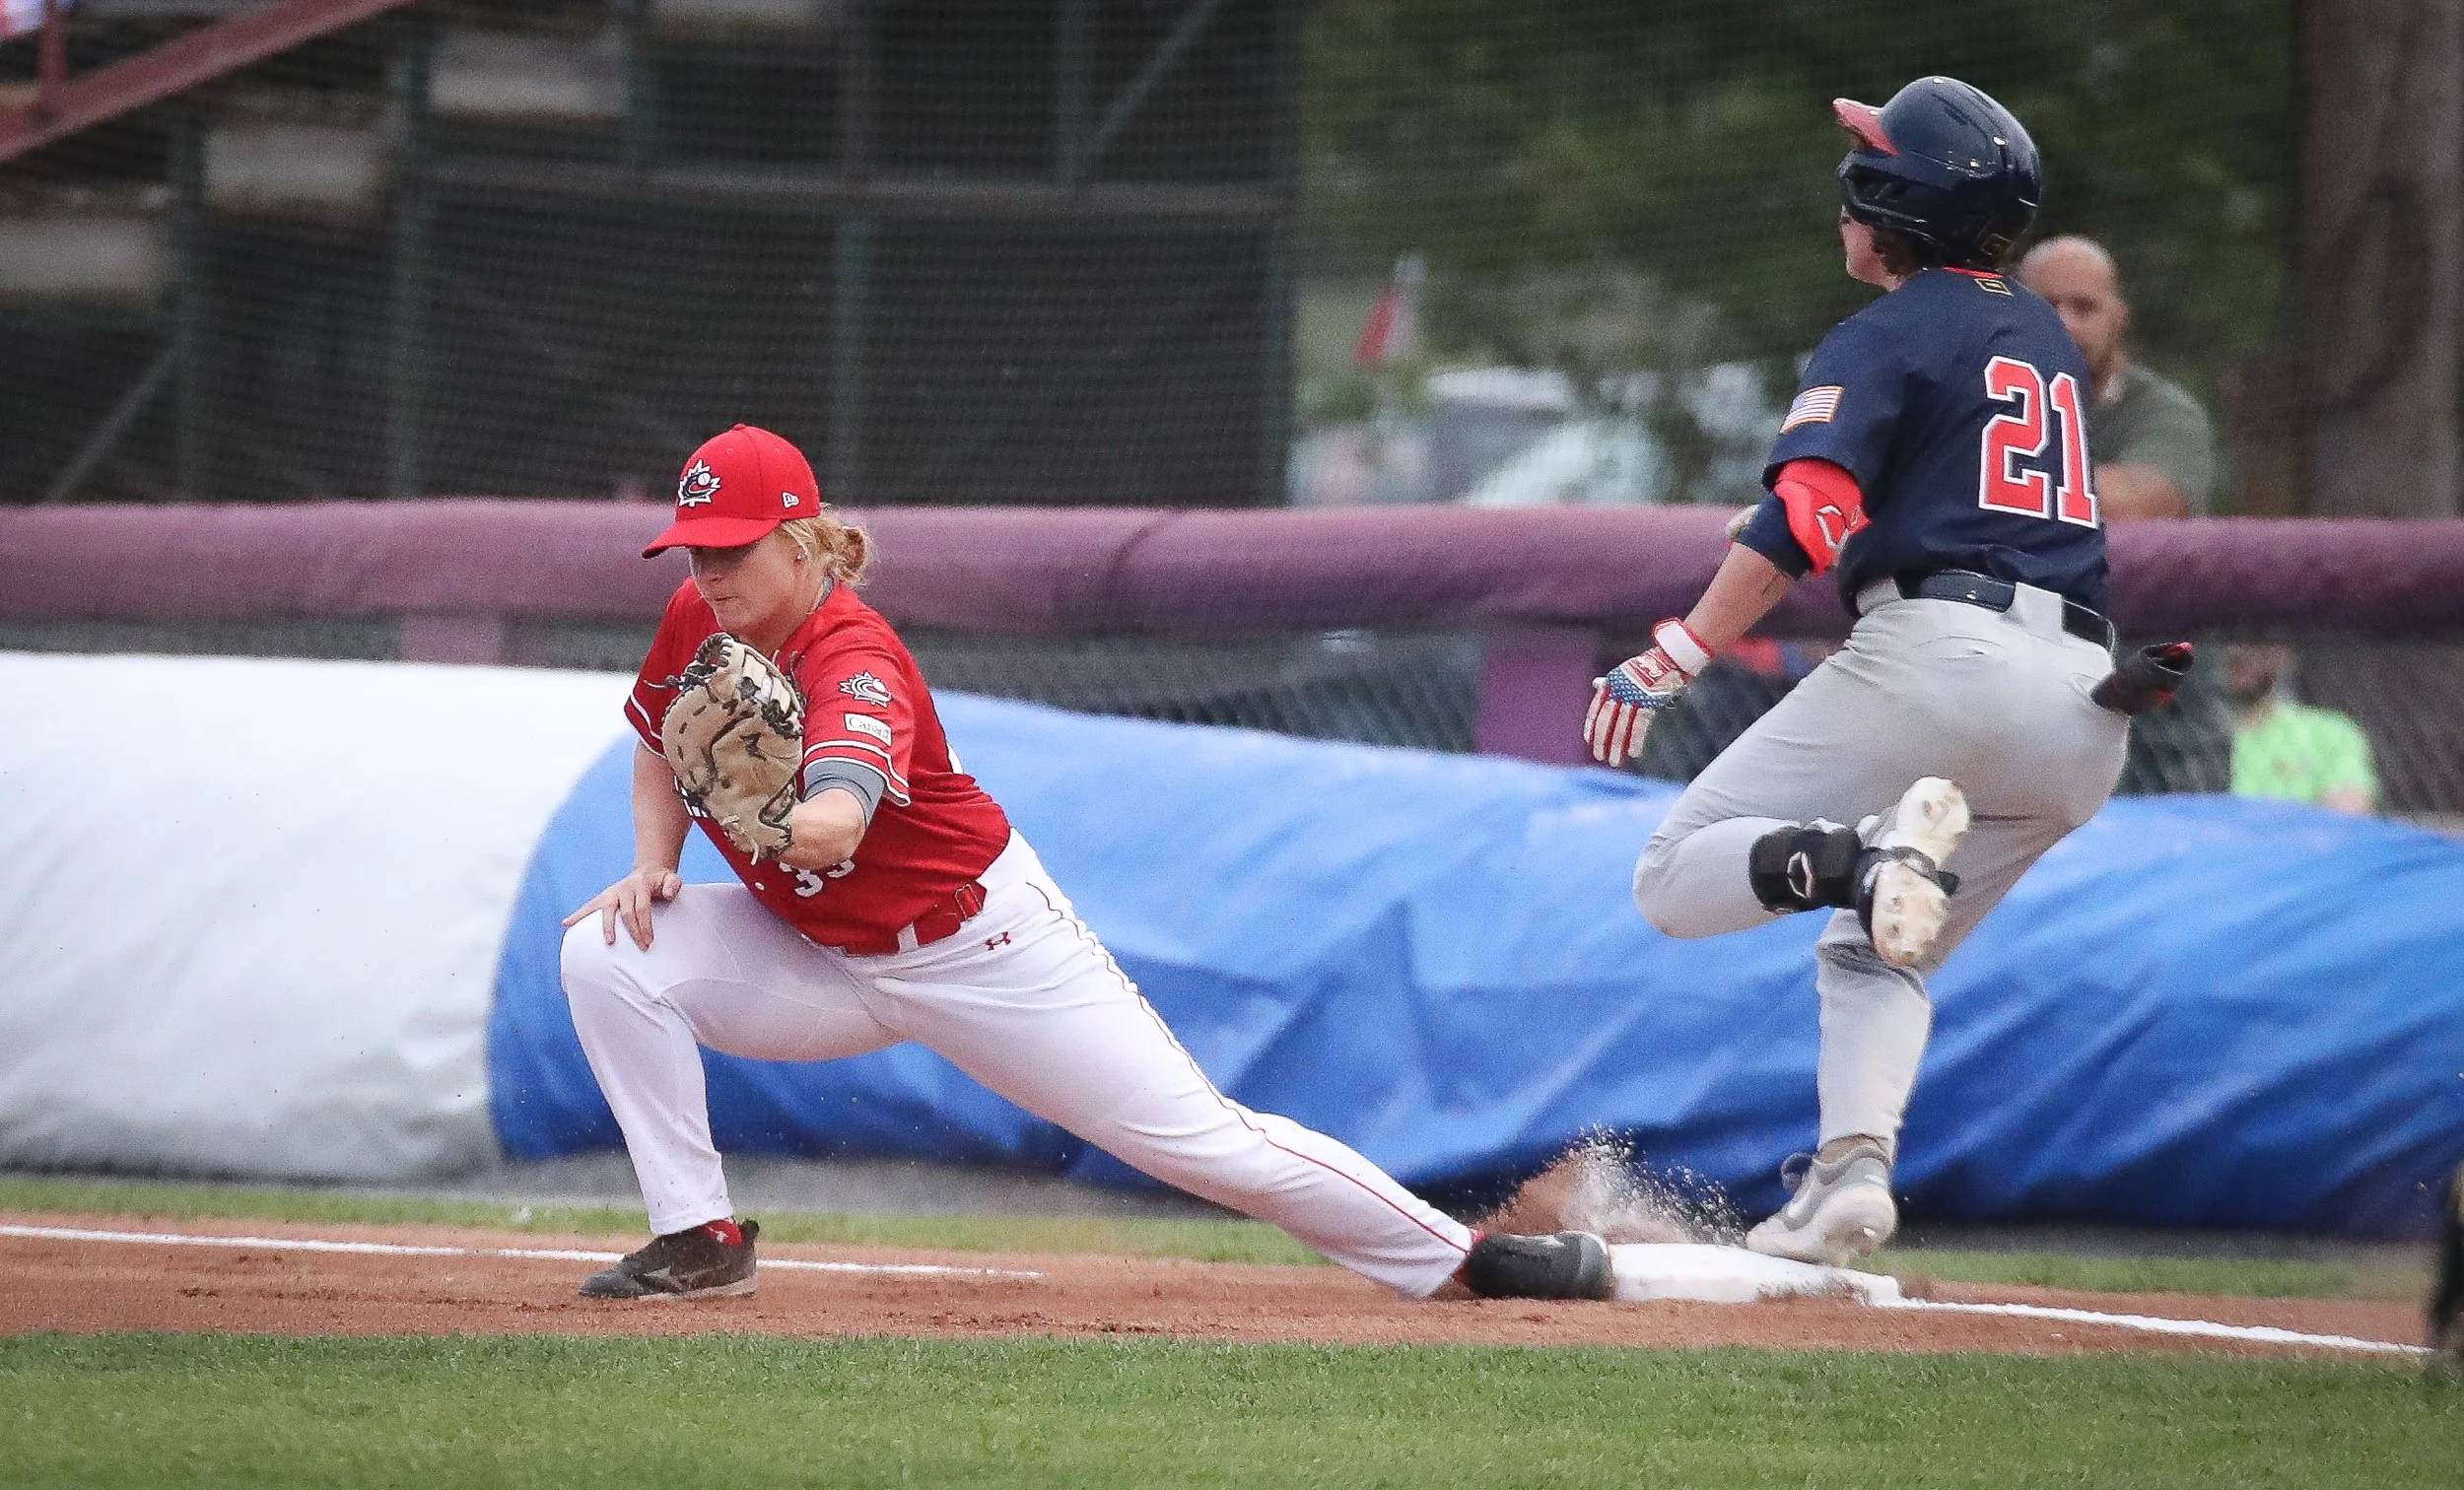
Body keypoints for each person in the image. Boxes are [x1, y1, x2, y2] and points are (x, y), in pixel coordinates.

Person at [560, 424, 1596, 1304]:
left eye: (731, 549)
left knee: (1206, 1145)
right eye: (694, 549)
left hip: (979, 948)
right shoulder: (704, 616)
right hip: (819, 956)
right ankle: (699, 1239)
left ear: (796, 543)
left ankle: (1469, 1260)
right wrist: (657, 858)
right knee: (607, 952)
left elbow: (833, 824)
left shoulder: (856, 660)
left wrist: (764, 818)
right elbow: (660, 740)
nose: (707, 572)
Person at [1580, 78, 2128, 1266]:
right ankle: (1848, 1181)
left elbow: (1811, 516)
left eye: (1870, 165)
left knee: (1674, 878)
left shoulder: (1886, 330)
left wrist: (1672, 655)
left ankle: (1866, 854)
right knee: (1878, 944)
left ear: (1895, 197)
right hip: (2085, 703)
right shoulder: (2038, 332)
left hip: (1948, 659)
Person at [2016, 236, 2219, 519]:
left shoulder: (2165, 411)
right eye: (2044, 306)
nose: (2063, 323)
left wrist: (1996, 481)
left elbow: (2142, 505)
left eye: (2084, 307)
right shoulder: (1980, 396)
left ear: (2119, 319)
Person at [2224, 643, 2378, 814]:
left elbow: (2349, 810)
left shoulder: (2329, 731)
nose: (2237, 652)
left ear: (2282, 656)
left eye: (2254, 641)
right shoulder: (2197, 743)